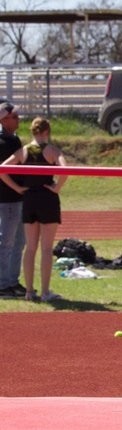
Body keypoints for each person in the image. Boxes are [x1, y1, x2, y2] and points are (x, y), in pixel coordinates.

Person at [0, 117, 68, 302]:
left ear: (33, 131)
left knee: (30, 248)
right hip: (47, 199)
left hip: (29, 199)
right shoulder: (52, 150)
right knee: (46, 248)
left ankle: (29, 291)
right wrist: (57, 187)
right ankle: (45, 292)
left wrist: (17, 188)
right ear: (47, 132)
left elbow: (2, 168)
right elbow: (66, 169)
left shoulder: (23, 151)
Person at [0, 102, 27, 299]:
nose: (18, 119)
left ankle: (12, 281)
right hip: (6, 199)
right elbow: (2, 171)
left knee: (19, 241)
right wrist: (17, 187)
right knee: (6, 242)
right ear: (3, 119)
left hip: (19, 199)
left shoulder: (15, 140)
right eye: (14, 116)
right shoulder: (1, 142)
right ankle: (2, 284)